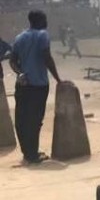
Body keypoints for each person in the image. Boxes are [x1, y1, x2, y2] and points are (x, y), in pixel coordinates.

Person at [9, 10, 66, 164]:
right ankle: (33, 154)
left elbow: (12, 61)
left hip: (22, 85)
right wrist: (58, 79)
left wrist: (20, 73)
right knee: (35, 120)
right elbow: (47, 58)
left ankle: (27, 153)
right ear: (40, 20)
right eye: (45, 19)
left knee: (21, 119)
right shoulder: (43, 35)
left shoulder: (19, 37)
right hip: (39, 85)